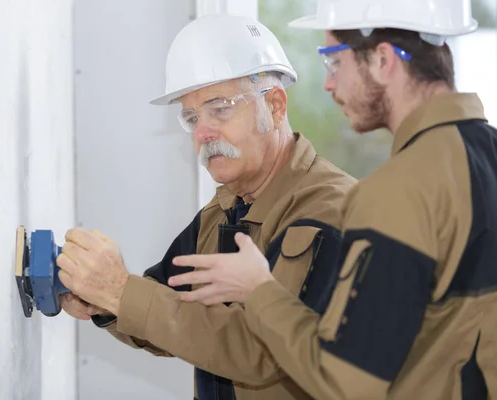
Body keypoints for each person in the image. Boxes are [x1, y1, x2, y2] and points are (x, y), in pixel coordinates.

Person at [169, 0, 497, 399]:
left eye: (334, 62)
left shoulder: (399, 190)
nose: (328, 84)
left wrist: (259, 290)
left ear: (382, 60)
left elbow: (349, 381)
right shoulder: (485, 157)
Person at [55, 13, 356, 400]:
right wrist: (101, 301)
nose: (202, 132)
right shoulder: (224, 211)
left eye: (220, 108)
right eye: (191, 117)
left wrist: (120, 293)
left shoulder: (329, 213)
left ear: (276, 106)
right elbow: (176, 311)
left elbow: (262, 350)